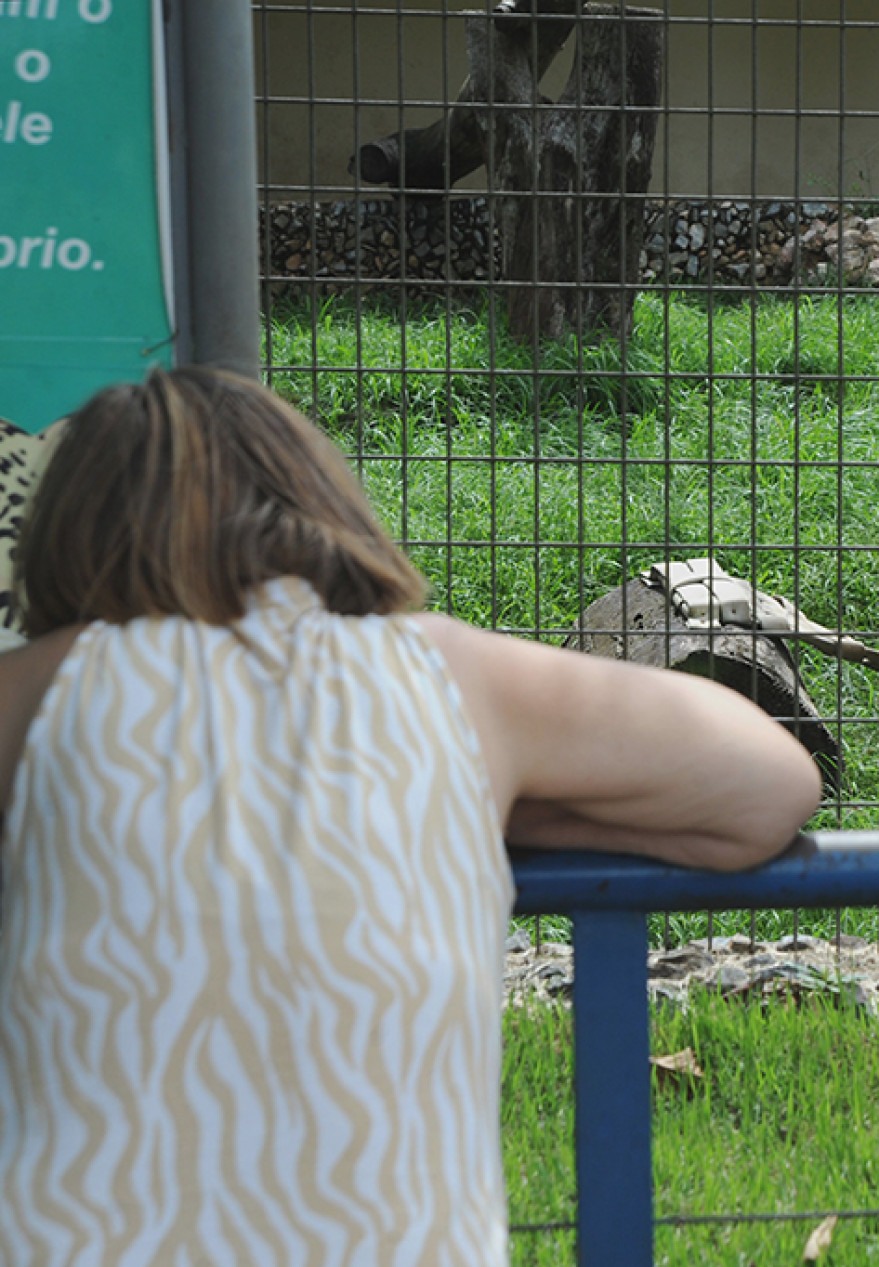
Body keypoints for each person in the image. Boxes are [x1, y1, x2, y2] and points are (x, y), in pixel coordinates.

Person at [0, 366, 823, 1265]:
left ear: (71, 537)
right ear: (320, 501)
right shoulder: (447, 675)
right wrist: (496, 798)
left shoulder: (42, 689)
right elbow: (768, 785)